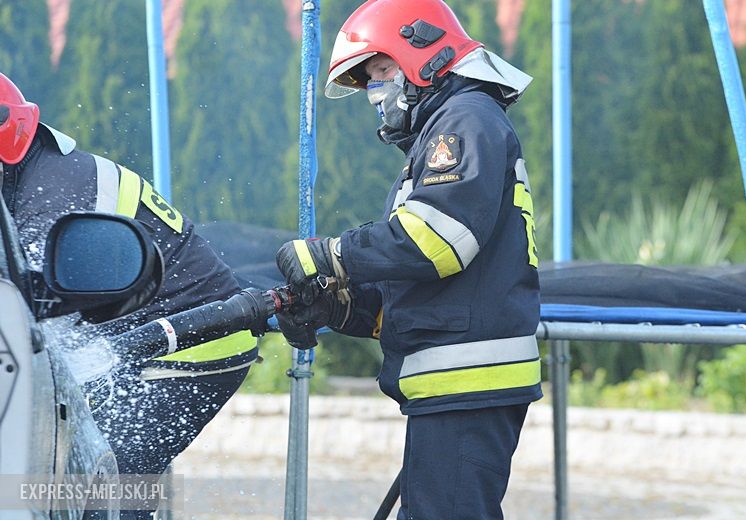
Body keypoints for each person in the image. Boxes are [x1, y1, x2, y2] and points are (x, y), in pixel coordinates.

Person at [274, 0, 542, 517]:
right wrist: (338, 307)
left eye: (381, 71)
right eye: (370, 80)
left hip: (469, 383)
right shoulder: (447, 129)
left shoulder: (463, 121)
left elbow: (438, 242)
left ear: (423, 53)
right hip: (454, 387)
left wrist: (332, 254)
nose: (376, 92)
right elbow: (421, 288)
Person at [0, 72, 259, 518]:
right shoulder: (27, 176)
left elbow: (32, 320)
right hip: (127, 335)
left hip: (196, 341)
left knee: (102, 486)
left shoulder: (54, 192)